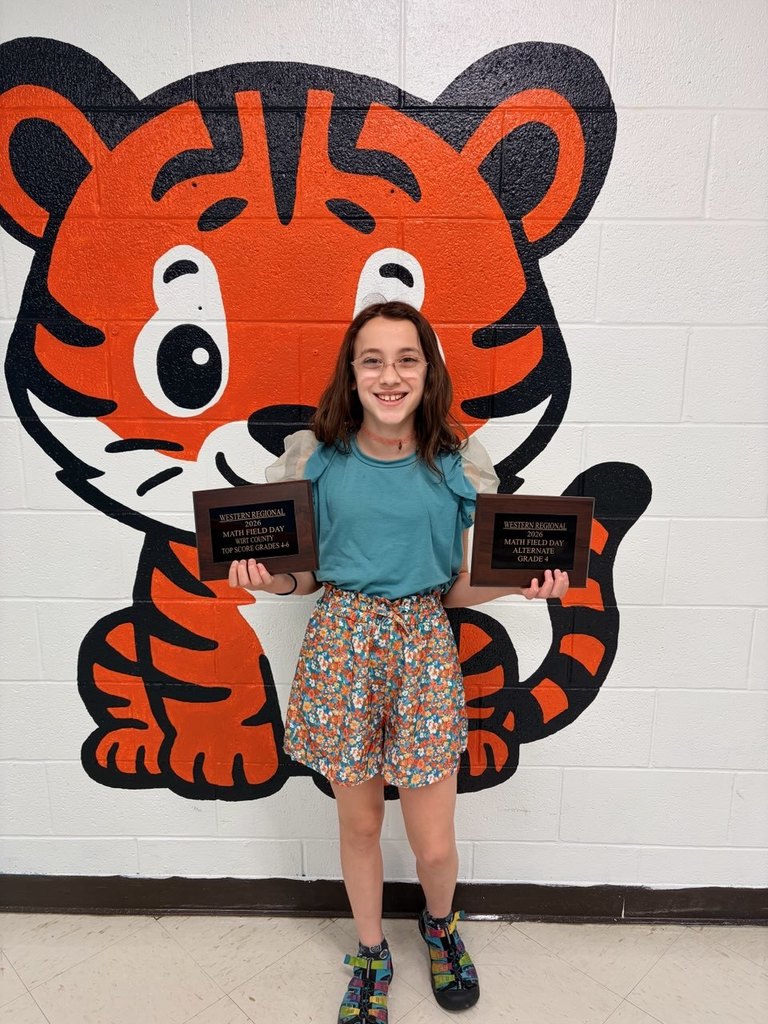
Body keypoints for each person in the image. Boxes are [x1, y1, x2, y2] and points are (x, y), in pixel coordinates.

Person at [229, 301, 568, 1022]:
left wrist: (523, 582)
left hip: (422, 644)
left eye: (406, 358)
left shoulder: (455, 463)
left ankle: (440, 927)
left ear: (427, 369)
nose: (390, 375)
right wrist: (270, 577)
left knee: (434, 841)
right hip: (341, 644)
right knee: (357, 827)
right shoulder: (315, 457)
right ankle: (370, 954)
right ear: (352, 375)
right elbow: (309, 577)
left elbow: (456, 588)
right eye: (373, 359)